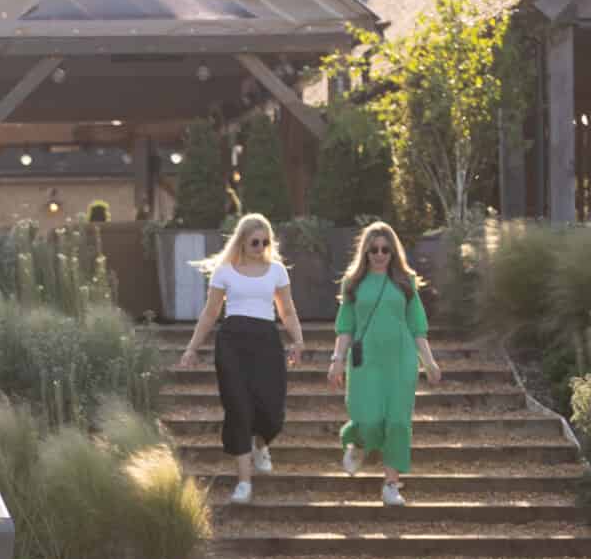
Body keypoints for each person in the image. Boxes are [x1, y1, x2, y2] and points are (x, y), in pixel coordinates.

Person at [175, 213, 306, 504]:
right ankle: (244, 482)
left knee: (271, 411)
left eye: (265, 242)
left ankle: (262, 444)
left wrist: (298, 339)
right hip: (232, 342)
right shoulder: (225, 272)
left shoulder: (277, 271)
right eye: (254, 242)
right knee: (238, 408)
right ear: (242, 242)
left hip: (266, 342)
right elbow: (210, 313)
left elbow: (287, 311)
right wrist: (191, 348)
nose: (260, 247)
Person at [327, 222, 441, 506]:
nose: (379, 255)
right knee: (368, 418)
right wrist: (337, 360)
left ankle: (391, 484)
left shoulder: (406, 282)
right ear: (365, 252)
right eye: (374, 249)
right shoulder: (352, 283)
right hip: (366, 359)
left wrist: (428, 361)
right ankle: (358, 440)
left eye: (385, 250)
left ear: (393, 252)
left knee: (398, 422)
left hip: (401, 358)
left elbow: (417, 325)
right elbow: (345, 326)